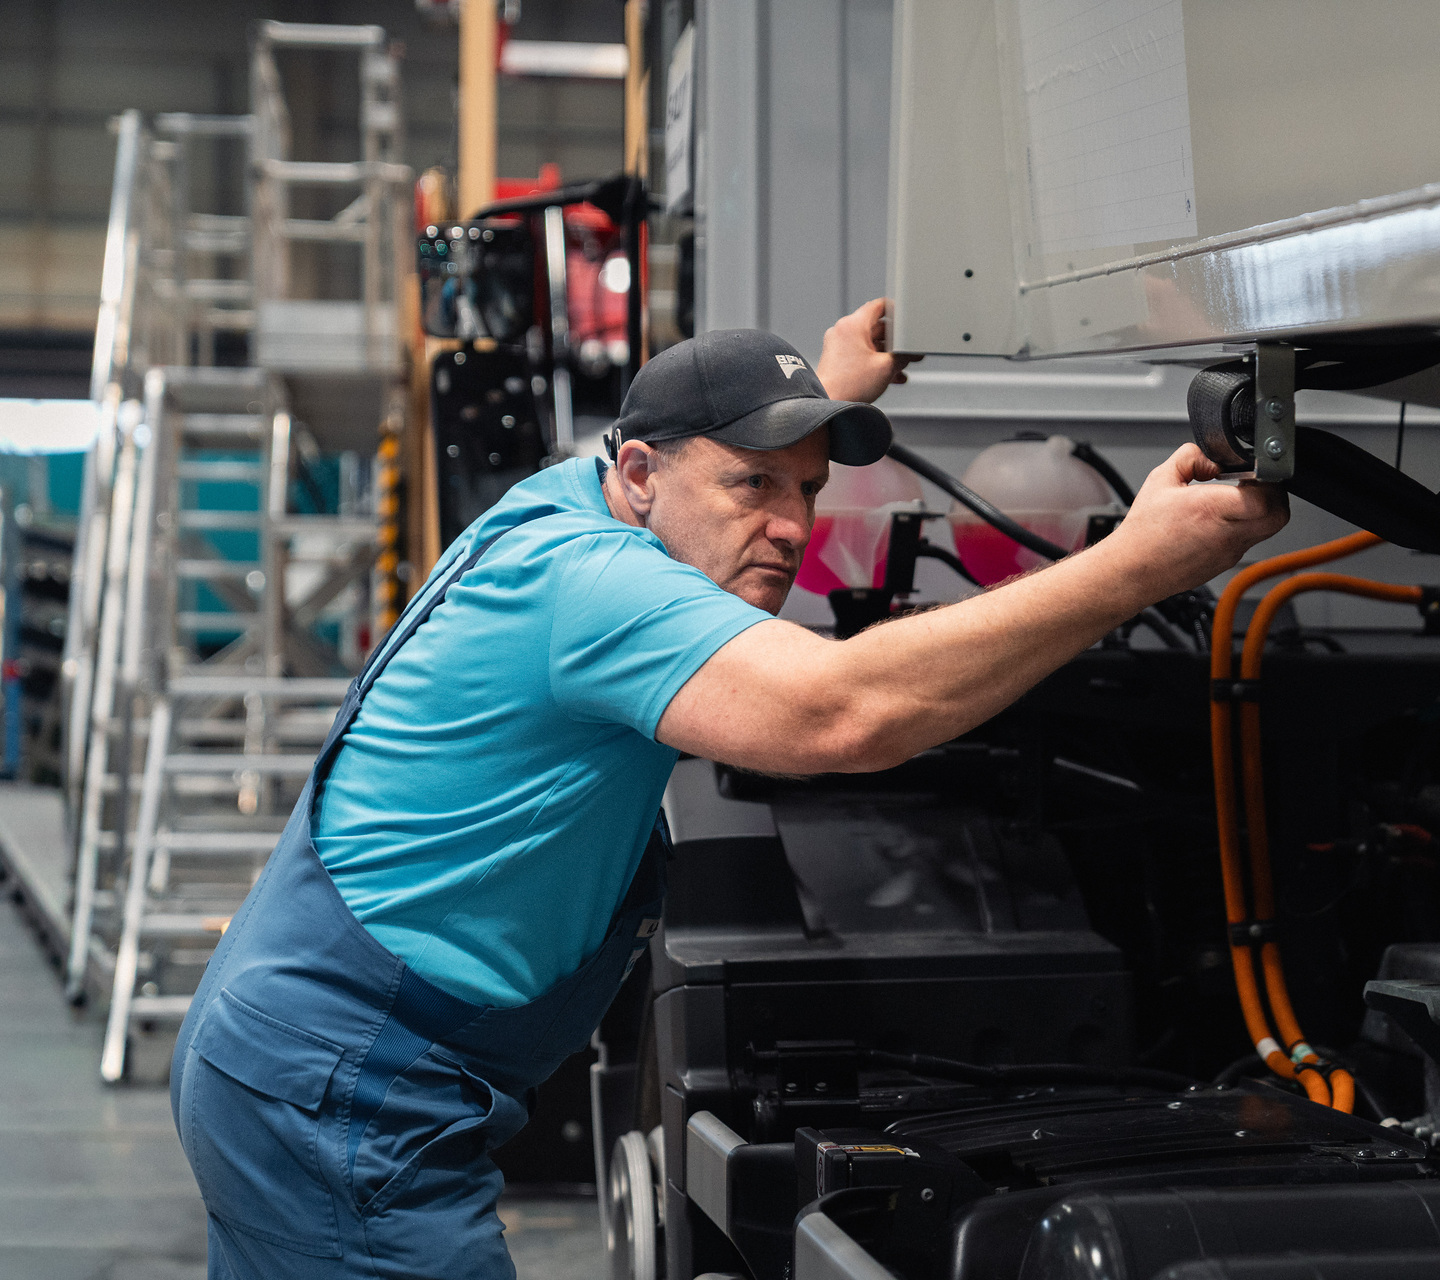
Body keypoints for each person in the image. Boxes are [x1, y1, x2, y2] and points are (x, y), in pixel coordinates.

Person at [170, 298, 1289, 1279]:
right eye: (755, 483)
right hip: (343, 1089)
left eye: (808, 486)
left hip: (296, 1053)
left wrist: (818, 393)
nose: (792, 527)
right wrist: (1136, 564)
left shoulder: (576, 497)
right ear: (639, 474)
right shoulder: (592, 585)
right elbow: (840, 713)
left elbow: (709, 457)